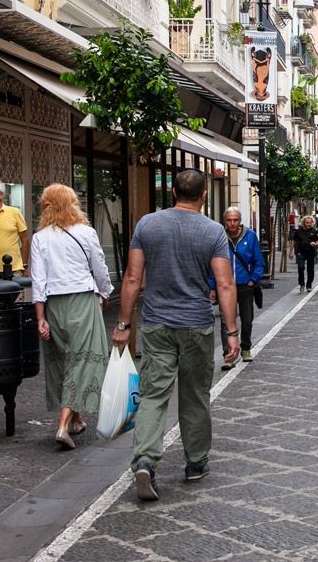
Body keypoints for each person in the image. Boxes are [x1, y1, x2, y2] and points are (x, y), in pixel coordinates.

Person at [112, 169, 238, 501]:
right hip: (196, 323)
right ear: (204, 195)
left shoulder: (147, 225)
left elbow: (131, 278)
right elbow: (224, 284)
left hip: (156, 323)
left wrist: (124, 325)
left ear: (172, 194)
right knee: (195, 395)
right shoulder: (213, 232)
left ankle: (145, 459)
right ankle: (195, 462)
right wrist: (232, 332)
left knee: (154, 393)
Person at [30, 184, 113, 450]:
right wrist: (106, 292)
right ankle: (64, 424)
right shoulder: (86, 233)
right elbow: (99, 267)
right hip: (82, 301)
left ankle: (76, 421)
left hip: (53, 304)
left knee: (62, 361)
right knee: (84, 360)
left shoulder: (40, 238)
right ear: (73, 204)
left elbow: (37, 281)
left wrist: (40, 318)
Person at [214, 207, 264, 370]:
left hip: (245, 285)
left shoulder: (250, 236)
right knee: (225, 322)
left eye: (235, 220)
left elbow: (258, 260)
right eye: (229, 220)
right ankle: (228, 354)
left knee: (247, 318)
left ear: (240, 220)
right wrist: (212, 286)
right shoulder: (219, 236)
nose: (232, 223)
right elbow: (211, 263)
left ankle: (246, 348)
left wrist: (253, 279)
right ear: (224, 221)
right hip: (225, 285)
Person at [288, 215, 318, 293]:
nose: (309, 224)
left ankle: (309, 285)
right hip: (300, 252)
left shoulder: (314, 231)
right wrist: (291, 252)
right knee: (301, 267)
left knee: (310, 269)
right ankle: (302, 284)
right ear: (304, 223)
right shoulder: (298, 231)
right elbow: (293, 241)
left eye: (310, 223)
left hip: (310, 252)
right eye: (307, 222)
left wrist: (315, 244)